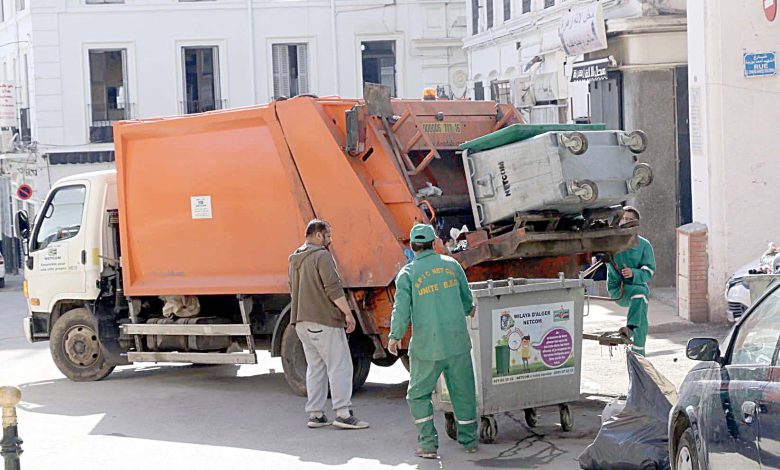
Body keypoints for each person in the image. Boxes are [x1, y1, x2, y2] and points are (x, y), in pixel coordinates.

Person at [388, 224, 478, 458]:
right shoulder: (452, 265)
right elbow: (467, 299)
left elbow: (401, 310)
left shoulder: (408, 274)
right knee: (464, 392)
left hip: (427, 347)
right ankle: (469, 441)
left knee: (418, 395)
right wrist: (469, 309)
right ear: (433, 243)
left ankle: (428, 445)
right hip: (457, 343)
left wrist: (395, 336)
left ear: (412, 246)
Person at [288, 219, 369, 430]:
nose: (330, 240)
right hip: (323, 321)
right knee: (340, 366)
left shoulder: (295, 258)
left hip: (301, 322)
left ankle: (315, 414)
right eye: (328, 235)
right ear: (317, 235)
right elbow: (333, 288)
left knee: (315, 368)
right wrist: (348, 314)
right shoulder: (321, 256)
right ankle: (343, 413)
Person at [606, 207, 656, 356]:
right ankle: (632, 329)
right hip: (618, 290)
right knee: (641, 294)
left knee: (641, 308)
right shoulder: (611, 242)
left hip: (638, 287)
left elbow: (649, 271)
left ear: (636, 224)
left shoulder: (644, 245)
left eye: (629, 220)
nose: (625, 222)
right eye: (623, 218)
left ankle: (638, 353)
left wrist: (633, 273)